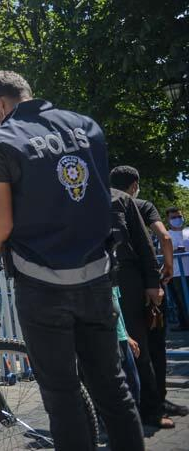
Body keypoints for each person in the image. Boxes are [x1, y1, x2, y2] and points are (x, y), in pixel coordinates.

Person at [0, 70, 144, 450]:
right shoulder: (87, 126)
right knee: (112, 389)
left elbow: (2, 222)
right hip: (96, 275)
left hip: (41, 282)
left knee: (62, 397)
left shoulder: (1, 140)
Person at [110, 166, 188, 419]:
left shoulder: (99, 203)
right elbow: (164, 238)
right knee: (153, 345)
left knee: (131, 345)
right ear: (134, 185)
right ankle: (156, 405)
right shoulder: (141, 205)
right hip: (144, 282)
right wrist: (166, 268)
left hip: (116, 283)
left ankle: (142, 403)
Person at [109, 185, 171, 429]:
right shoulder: (69, 196)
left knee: (140, 350)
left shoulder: (121, 199)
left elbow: (144, 245)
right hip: (96, 282)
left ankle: (151, 411)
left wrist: (152, 283)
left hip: (129, 282)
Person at [166, 206, 189, 330]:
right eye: (173, 217)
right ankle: (184, 323)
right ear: (168, 219)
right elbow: (161, 251)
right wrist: (175, 251)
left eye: (179, 216)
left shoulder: (188, 231)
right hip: (176, 273)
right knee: (181, 300)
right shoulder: (166, 235)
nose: (177, 219)